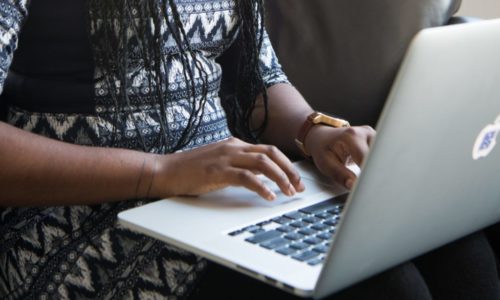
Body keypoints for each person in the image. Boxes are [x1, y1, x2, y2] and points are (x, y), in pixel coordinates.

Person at [0, 1, 498, 300]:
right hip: (73, 223)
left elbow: (257, 77)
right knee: (387, 292)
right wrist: (160, 172)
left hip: (217, 196)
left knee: (460, 254)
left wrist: (316, 130)